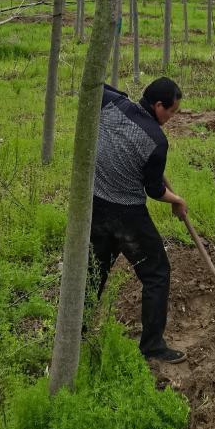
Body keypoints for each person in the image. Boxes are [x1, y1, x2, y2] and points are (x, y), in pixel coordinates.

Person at [89, 76, 188, 364]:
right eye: (171, 112)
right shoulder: (157, 141)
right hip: (128, 215)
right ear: (159, 106)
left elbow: (98, 84)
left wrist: (124, 99)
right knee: (157, 273)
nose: (171, 118)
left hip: (95, 206)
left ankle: (78, 328)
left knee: (95, 271)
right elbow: (154, 190)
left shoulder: (112, 104)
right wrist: (177, 201)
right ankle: (153, 346)